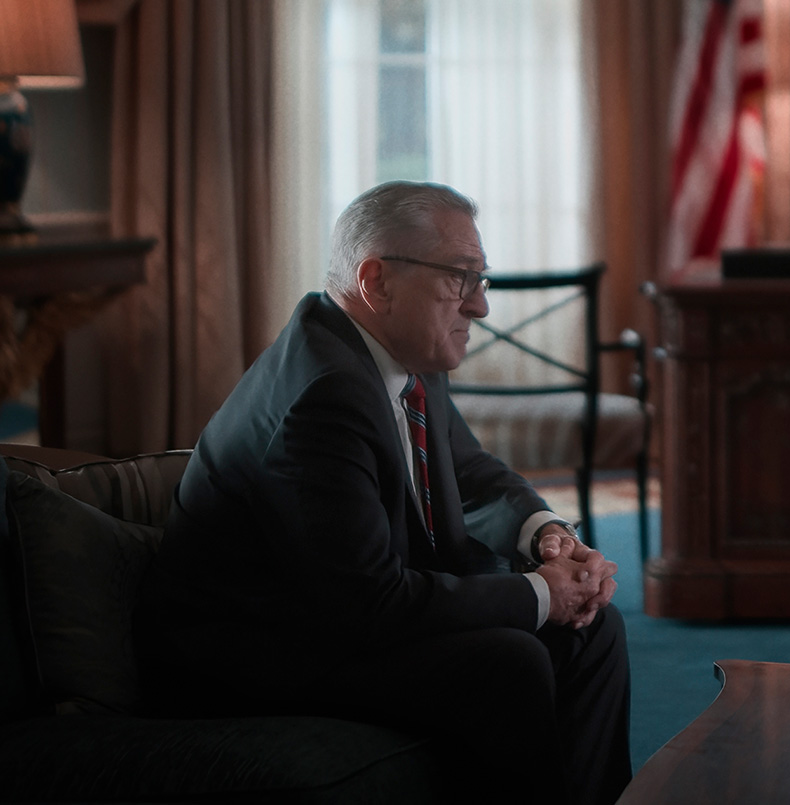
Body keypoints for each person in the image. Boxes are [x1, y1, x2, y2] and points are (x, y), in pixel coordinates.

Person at [138, 181, 631, 805]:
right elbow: (367, 603)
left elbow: (469, 470)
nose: (480, 306)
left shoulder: (401, 351)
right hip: (253, 652)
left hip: (332, 617)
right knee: (509, 662)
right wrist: (541, 592)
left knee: (595, 628)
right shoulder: (323, 394)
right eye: (461, 279)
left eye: (482, 279)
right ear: (376, 282)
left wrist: (548, 537)